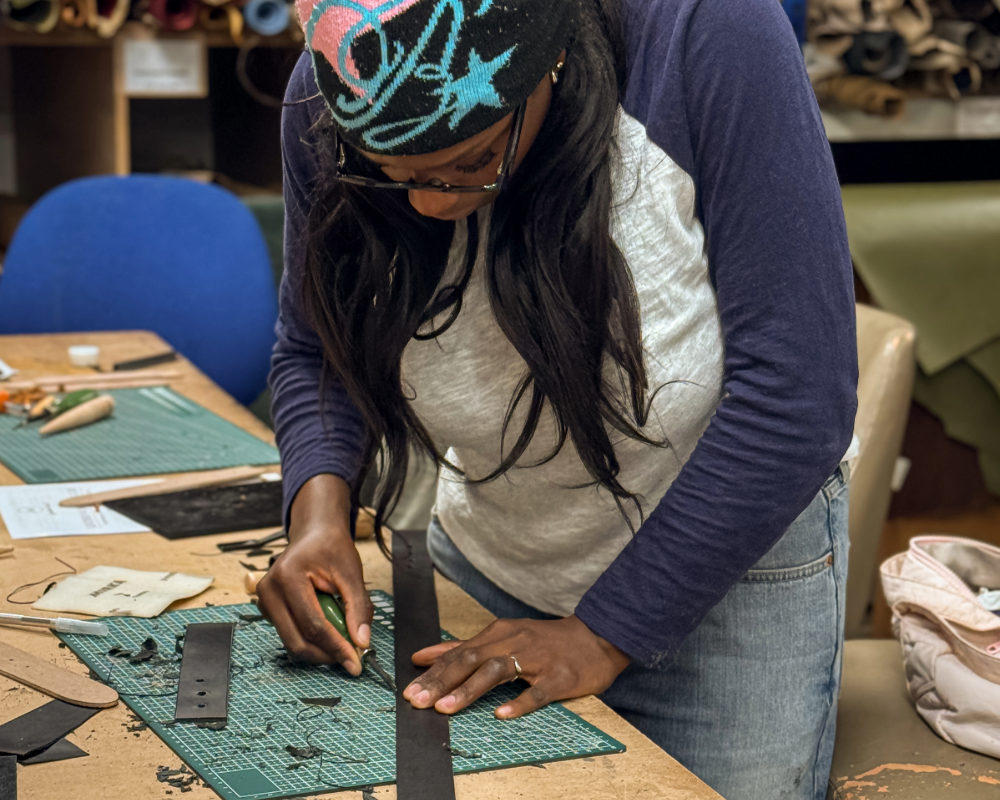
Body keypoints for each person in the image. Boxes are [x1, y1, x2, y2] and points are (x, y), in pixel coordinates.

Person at [256, 1, 858, 798]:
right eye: (390, 173)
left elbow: (796, 396)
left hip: (723, 582)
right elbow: (316, 347)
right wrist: (319, 518)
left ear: (553, 61)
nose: (428, 204)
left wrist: (602, 635)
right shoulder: (344, 68)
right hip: (493, 561)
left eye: (470, 160)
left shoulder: (709, 33)